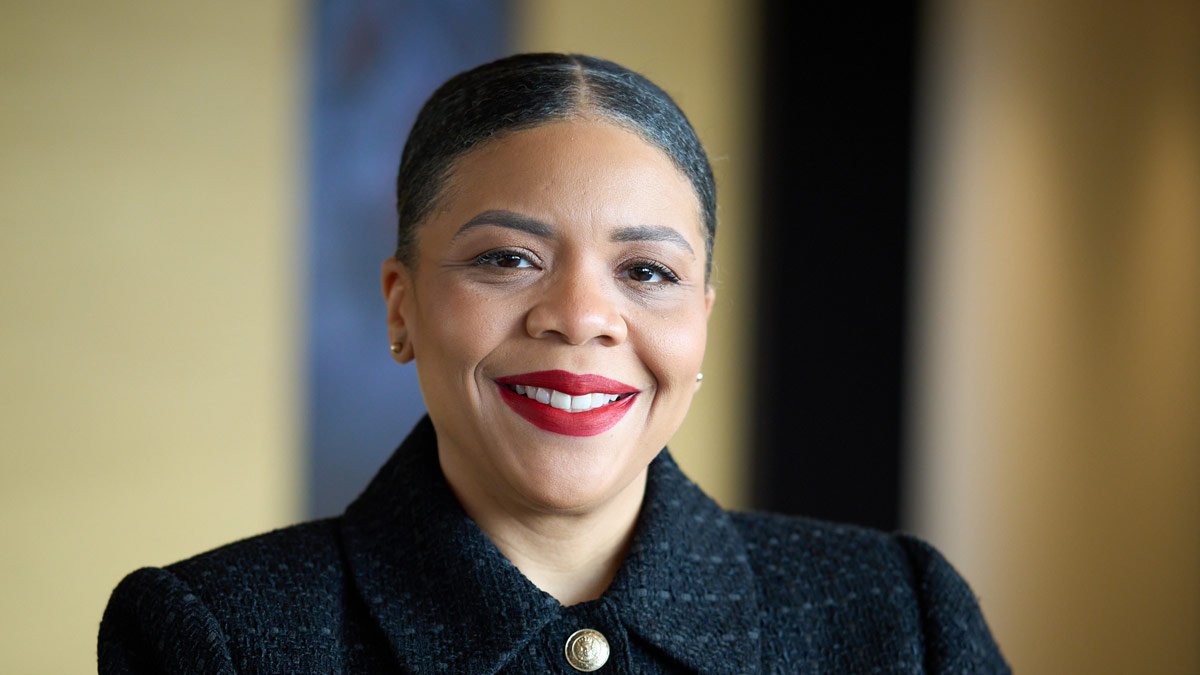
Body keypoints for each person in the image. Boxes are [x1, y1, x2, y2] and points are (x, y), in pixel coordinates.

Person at [98, 53, 1008, 674]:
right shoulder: (214, 636)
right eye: (507, 258)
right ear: (401, 303)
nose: (580, 317)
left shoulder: (898, 617)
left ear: (701, 322)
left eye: (646, 271)